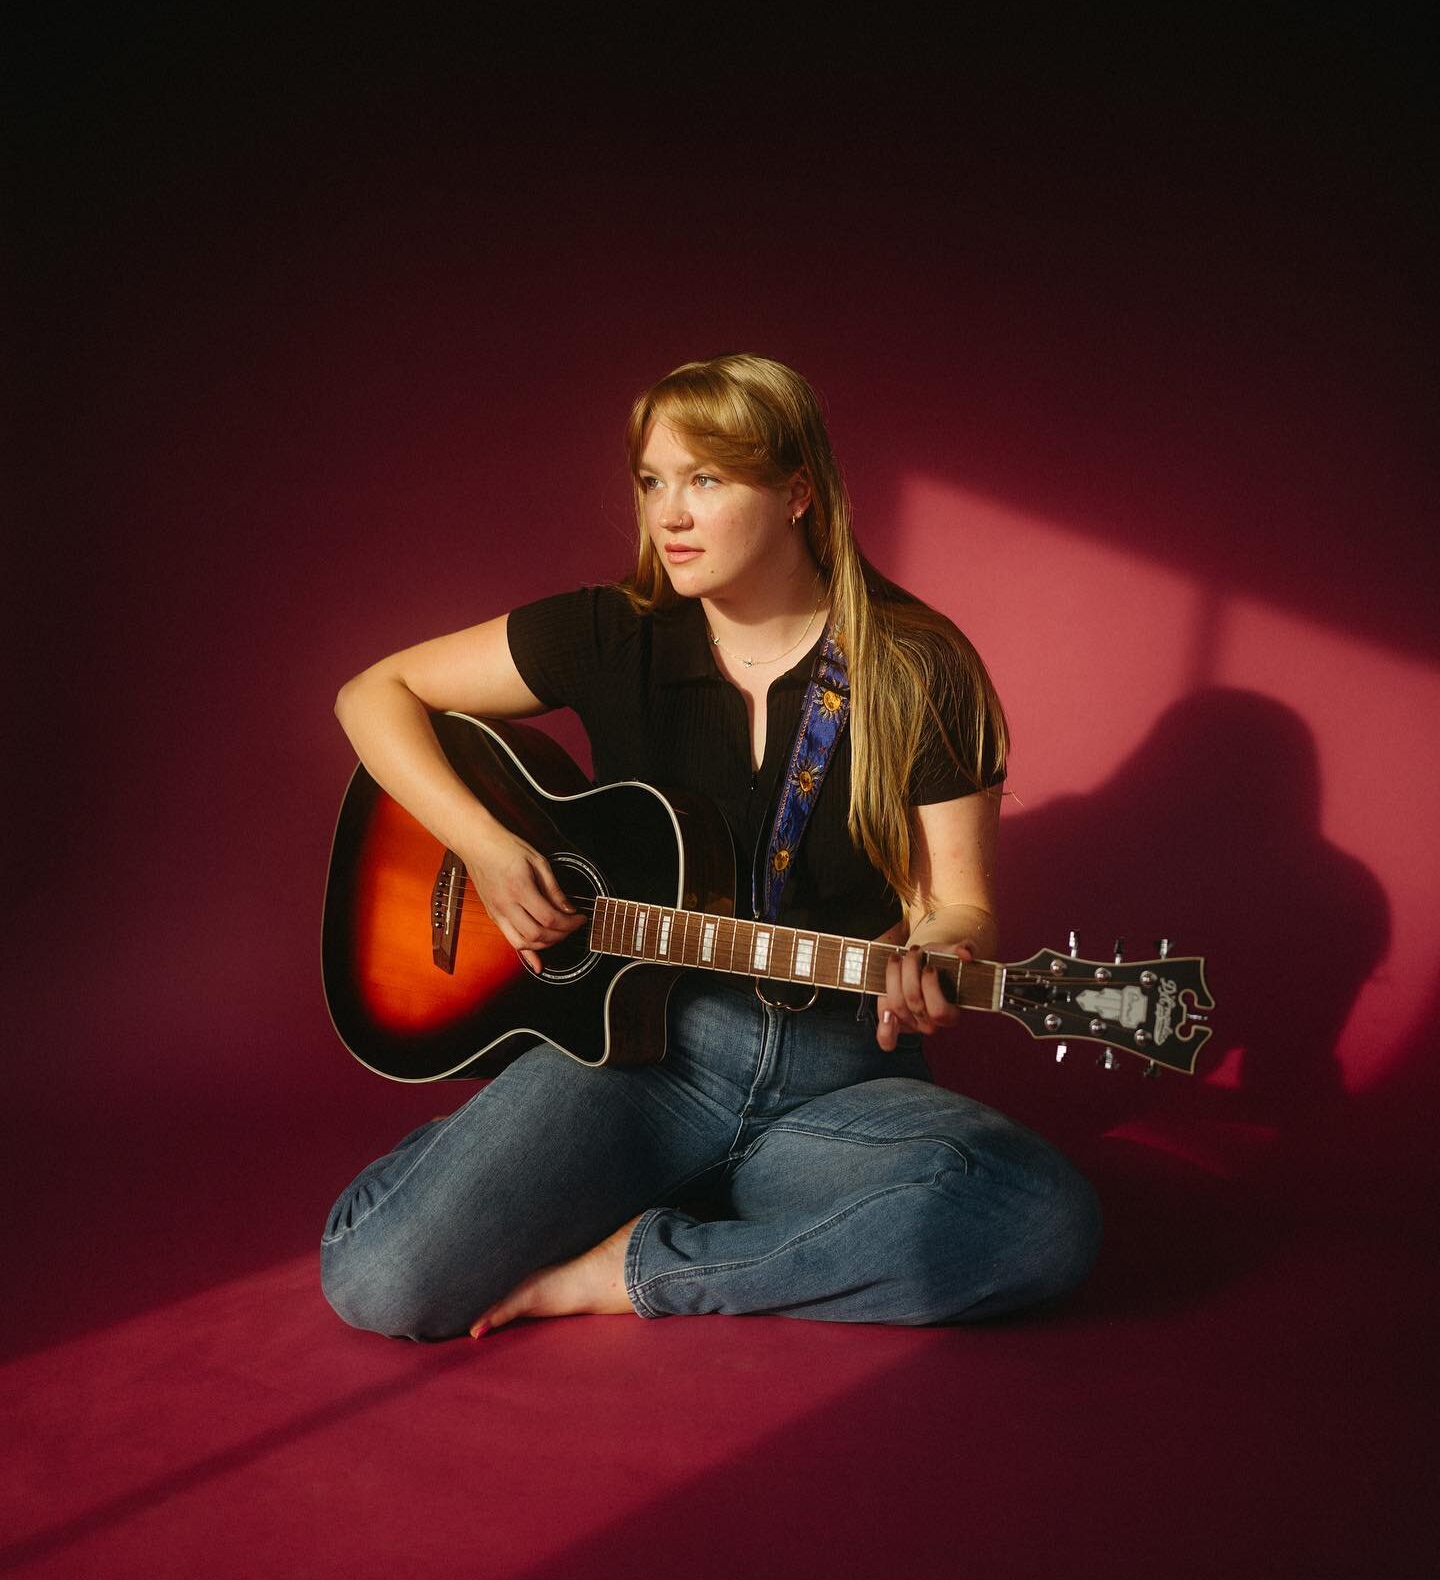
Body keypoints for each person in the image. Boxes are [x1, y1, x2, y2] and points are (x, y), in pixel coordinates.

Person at [321, 353, 1100, 1340]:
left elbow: (962, 905)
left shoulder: (917, 666)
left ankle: (642, 1264)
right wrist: (480, 842)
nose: (669, 515)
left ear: (796, 493)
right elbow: (372, 695)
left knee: (1042, 1224)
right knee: (378, 1280)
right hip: (638, 1062)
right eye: (653, 482)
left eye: (706, 480)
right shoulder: (614, 633)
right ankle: (497, 1159)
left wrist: (938, 950)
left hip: (838, 1080)